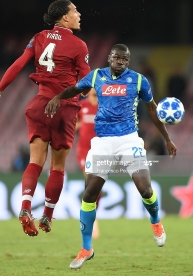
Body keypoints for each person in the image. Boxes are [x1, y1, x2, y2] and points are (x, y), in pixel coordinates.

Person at [45, 44, 177, 270]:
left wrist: (166, 137)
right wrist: (58, 97)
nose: (121, 62)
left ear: (128, 61)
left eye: (125, 59)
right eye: (117, 58)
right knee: (89, 194)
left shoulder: (138, 80)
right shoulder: (97, 76)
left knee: (145, 189)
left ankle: (155, 221)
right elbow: (74, 89)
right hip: (103, 142)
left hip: (129, 140)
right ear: (109, 58)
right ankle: (87, 248)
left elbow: (153, 109)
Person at [0, 0, 91, 236]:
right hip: (64, 108)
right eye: (75, 11)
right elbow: (86, 84)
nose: (79, 14)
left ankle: (25, 208)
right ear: (65, 17)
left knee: (35, 162)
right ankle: (47, 216)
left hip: (39, 105)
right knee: (58, 167)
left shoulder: (39, 37)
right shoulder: (79, 46)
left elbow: (19, 63)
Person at [75, 88, 100, 239]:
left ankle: (93, 213)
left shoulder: (104, 107)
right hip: (84, 151)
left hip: (100, 151)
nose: (94, 97)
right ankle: (92, 221)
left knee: (97, 187)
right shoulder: (81, 106)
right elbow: (76, 123)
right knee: (91, 180)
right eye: (92, 93)